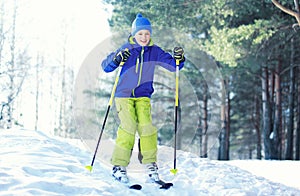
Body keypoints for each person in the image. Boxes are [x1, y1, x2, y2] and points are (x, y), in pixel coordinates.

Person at [101, 13, 185, 183]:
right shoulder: (126, 48)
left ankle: (150, 164)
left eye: (147, 33)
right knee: (129, 126)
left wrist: (179, 59)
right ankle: (119, 165)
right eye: (140, 34)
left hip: (143, 95)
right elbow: (106, 66)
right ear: (134, 34)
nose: (144, 37)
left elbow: (173, 65)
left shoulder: (155, 51)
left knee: (147, 127)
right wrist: (117, 59)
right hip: (123, 95)